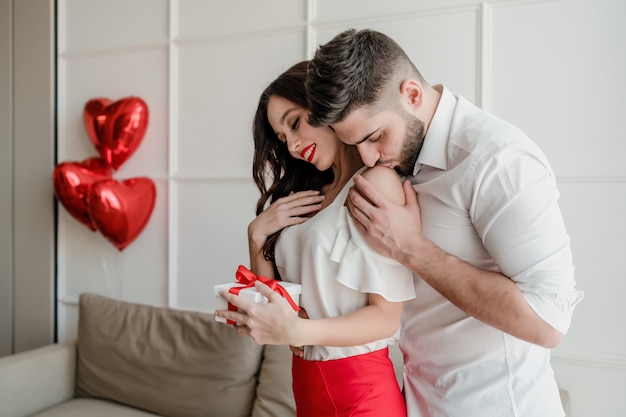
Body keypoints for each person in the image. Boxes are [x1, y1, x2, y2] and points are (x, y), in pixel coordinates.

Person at [222, 29, 584, 417]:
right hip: (417, 399)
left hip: (499, 405)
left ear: (412, 95)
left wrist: (412, 249)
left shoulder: (498, 159)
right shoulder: (395, 163)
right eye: (355, 142)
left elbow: (548, 323)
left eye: (375, 137)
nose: (369, 157)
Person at [216, 60, 415, 417]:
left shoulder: (376, 183)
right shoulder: (307, 197)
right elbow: (277, 307)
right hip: (307, 389)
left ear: (325, 108)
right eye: (282, 138)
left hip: (363, 394)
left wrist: (299, 330)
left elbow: (386, 318)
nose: (292, 145)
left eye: (294, 123)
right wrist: (257, 233)